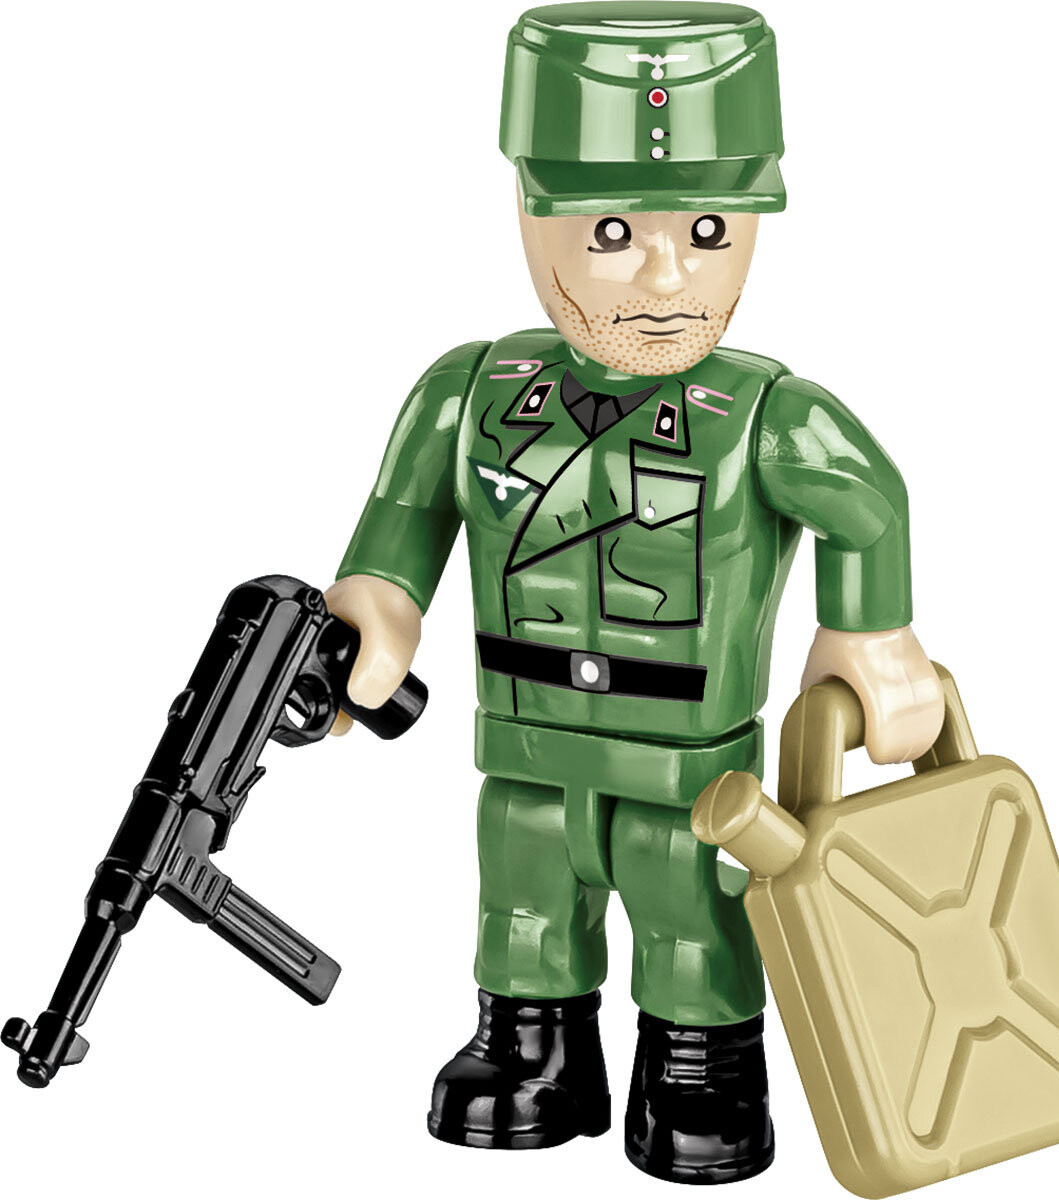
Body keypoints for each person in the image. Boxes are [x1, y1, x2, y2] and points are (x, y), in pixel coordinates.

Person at [325, 3, 944, 1184]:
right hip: (524, 750)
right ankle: (531, 1051)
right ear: (530, 211)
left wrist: (872, 632)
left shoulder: (771, 419)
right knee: (522, 897)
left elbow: (870, 501)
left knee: (687, 914)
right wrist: (376, 606)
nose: (668, 278)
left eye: (708, 231)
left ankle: (698, 1069)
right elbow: (400, 527)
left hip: (689, 772)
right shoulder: (467, 393)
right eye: (612, 232)